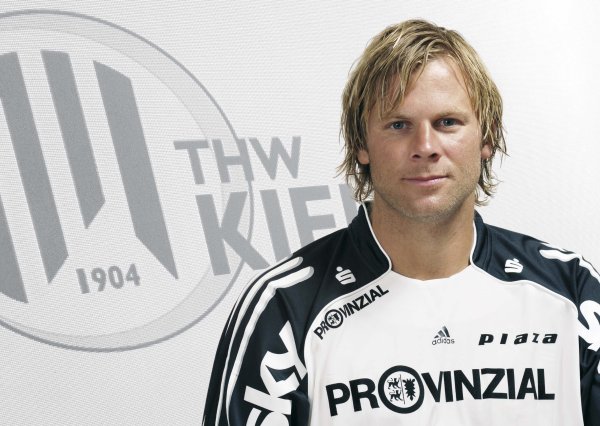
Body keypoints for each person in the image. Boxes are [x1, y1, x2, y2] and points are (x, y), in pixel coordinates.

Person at [203, 19, 600, 425]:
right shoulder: (285, 308)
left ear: (487, 137)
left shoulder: (571, 292)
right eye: (398, 125)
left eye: (447, 122)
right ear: (361, 143)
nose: (425, 147)